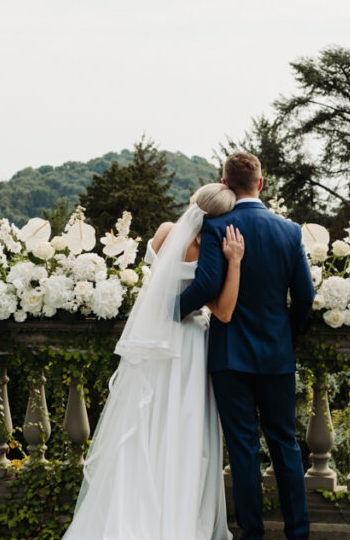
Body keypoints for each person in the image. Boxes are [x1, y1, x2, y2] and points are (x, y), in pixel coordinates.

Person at [63, 183, 243, 540]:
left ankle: (130, 510)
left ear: (193, 203)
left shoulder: (165, 232)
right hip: (189, 341)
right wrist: (232, 261)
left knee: (144, 424)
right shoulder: (212, 247)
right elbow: (220, 308)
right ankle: (178, 513)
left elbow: (155, 280)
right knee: (185, 426)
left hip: (155, 337)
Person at [180, 153, 316, 540]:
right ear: (261, 183)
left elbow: (205, 287)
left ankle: (252, 534)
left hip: (229, 357)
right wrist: (285, 334)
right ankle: (299, 533)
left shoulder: (217, 226)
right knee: (285, 444)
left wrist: (167, 313)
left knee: (243, 450)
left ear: (224, 184)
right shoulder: (289, 231)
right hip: (276, 354)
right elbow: (304, 296)